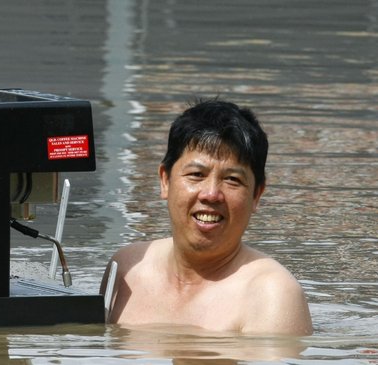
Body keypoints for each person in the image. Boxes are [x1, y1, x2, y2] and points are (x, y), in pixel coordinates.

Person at [100, 99, 313, 335]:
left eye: (232, 179)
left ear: (256, 195)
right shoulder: (128, 268)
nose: (211, 194)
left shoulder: (272, 295)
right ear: (165, 180)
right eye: (196, 174)